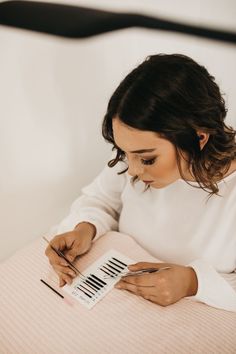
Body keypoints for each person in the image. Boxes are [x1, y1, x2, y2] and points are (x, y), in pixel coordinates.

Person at [45, 53, 236, 311]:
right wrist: (84, 228)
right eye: (124, 153)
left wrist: (194, 282)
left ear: (199, 137)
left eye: (147, 160)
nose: (131, 171)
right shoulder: (135, 155)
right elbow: (102, 200)